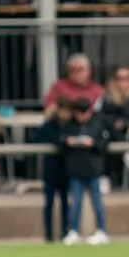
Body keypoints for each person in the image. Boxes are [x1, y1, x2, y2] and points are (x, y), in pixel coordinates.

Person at [60, 97, 111, 246]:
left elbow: (104, 144)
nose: (82, 116)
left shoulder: (97, 124)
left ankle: (101, 231)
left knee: (97, 202)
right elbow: (59, 141)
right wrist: (68, 142)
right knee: (75, 203)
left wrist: (92, 143)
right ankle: (73, 231)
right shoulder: (69, 126)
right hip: (75, 170)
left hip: (93, 170)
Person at [38, 95, 72, 242]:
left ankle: (65, 232)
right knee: (49, 203)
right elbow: (40, 138)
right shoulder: (49, 125)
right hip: (51, 170)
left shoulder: (71, 125)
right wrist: (64, 142)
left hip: (67, 169)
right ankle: (49, 235)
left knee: (65, 203)